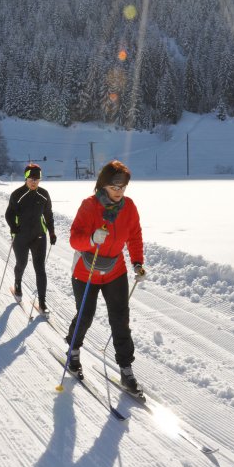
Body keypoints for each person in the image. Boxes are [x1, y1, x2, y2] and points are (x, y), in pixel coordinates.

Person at [65, 160, 147, 395]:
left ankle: (126, 368)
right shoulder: (89, 206)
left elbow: (135, 236)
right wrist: (91, 238)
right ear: (103, 185)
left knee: (120, 319)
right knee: (85, 315)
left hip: (115, 271)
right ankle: (73, 350)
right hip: (85, 270)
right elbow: (74, 239)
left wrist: (137, 263)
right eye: (115, 187)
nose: (119, 192)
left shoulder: (129, 207)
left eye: (123, 187)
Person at [5, 163, 56, 312]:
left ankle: (42, 302)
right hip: (21, 236)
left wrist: (51, 232)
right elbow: (9, 214)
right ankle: (18, 285)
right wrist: (13, 227)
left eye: (37, 178)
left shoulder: (44, 194)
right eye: (31, 178)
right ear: (26, 177)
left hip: (39, 236)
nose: (34, 181)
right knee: (21, 263)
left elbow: (48, 215)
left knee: (40, 269)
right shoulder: (17, 194)